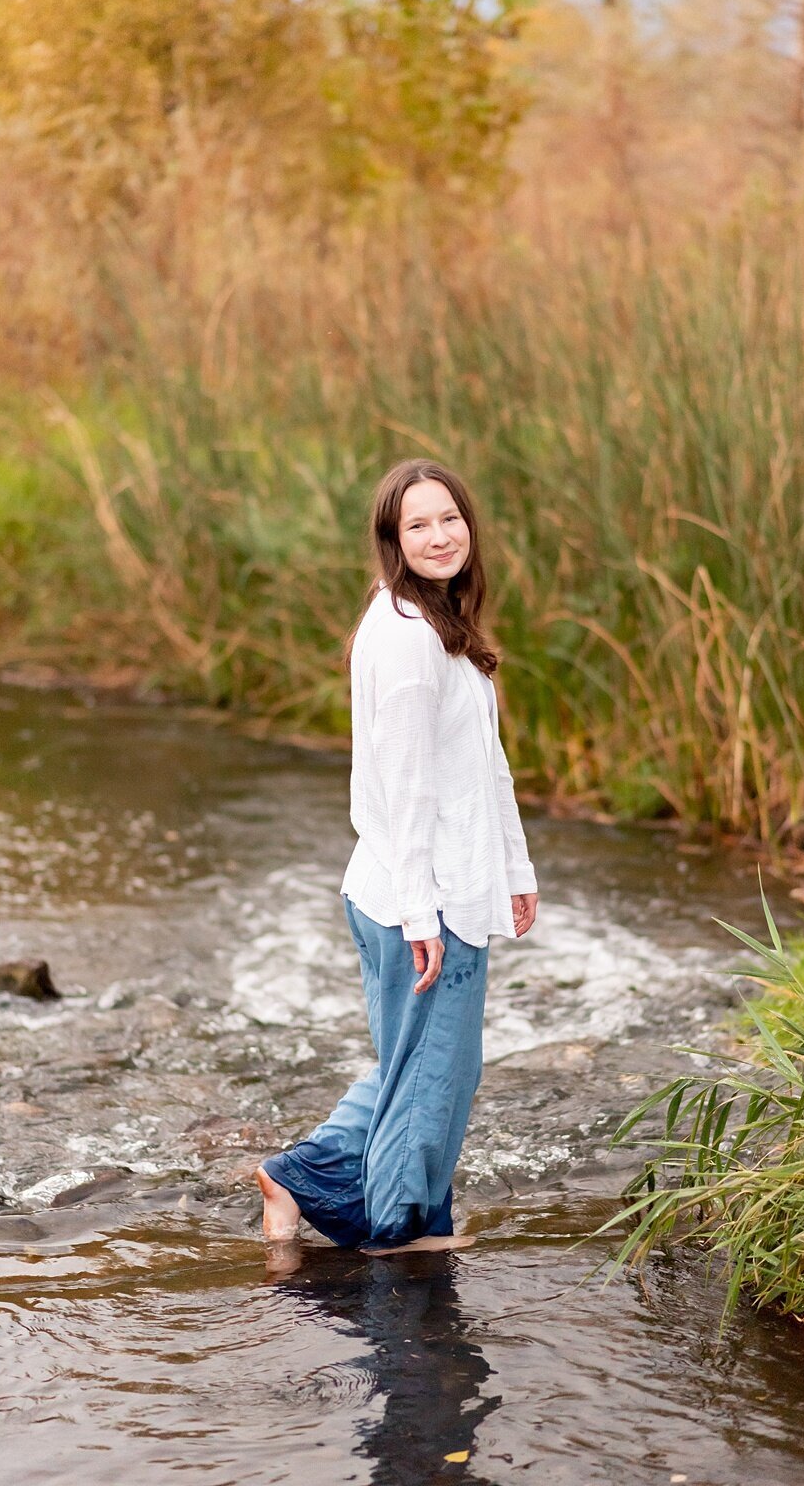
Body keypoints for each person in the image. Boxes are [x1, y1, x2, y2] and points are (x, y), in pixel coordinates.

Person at [256, 458, 539, 1254]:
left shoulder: (432, 622)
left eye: (449, 518)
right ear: (392, 540)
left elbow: (484, 766)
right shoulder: (410, 639)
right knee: (433, 1083)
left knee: (421, 1069)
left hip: (433, 886)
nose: (440, 535)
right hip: (421, 898)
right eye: (418, 524)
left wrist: (513, 868)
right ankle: (400, 1244)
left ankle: (301, 1175)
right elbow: (407, 790)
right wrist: (424, 913)